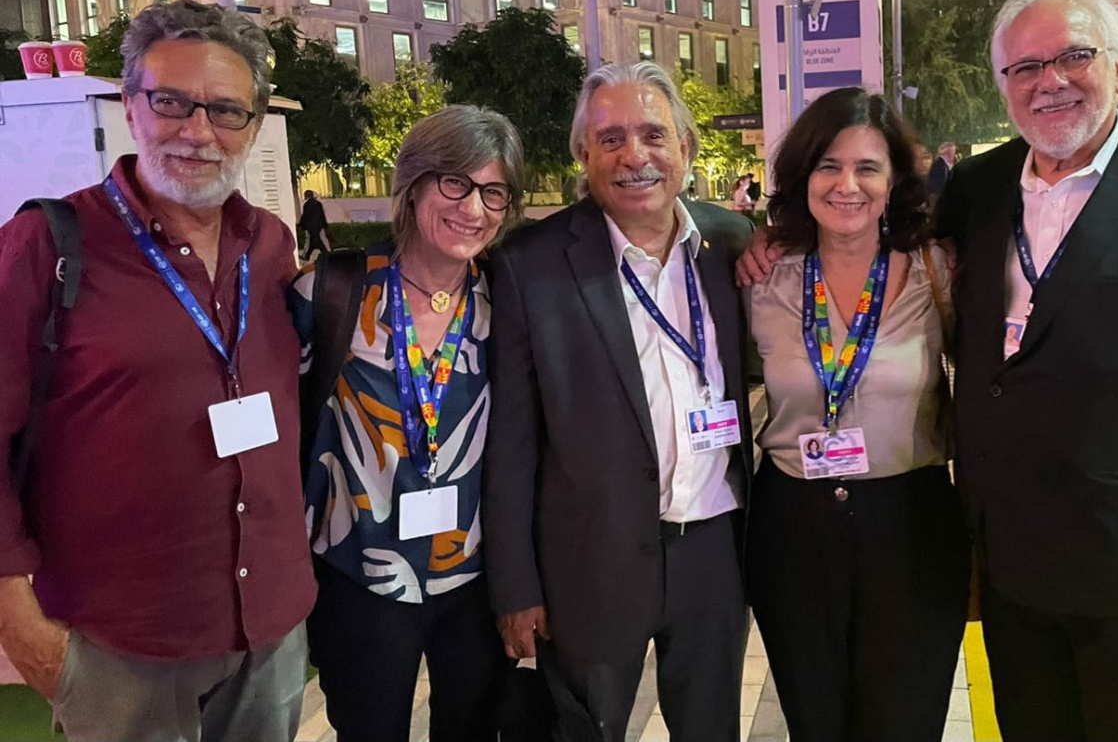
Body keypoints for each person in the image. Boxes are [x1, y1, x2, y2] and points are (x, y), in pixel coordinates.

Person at [0, 0, 314, 741]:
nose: (197, 132)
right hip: (121, 644)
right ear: (131, 107)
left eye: (226, 112)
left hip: (268, 628)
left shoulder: (267, 243)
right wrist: (20, 626)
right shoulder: (47, 244)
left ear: (252, 125)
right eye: (172, 102)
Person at [933, 0, 1118, 741]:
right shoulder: (979, 188)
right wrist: (765, 246)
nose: (1049, 82)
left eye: (1073, 56)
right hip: (1012, 563)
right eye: (1024, 67)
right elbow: (871, 239)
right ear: (1002, 86)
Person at [482, 62, 755, 742]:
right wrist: (515, 586)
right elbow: (511, 440)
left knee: (711, 728)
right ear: (584, 156)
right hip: (589, 561)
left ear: (686, 149)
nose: (635, 155)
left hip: (713, 550)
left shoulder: (732, 246)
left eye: (653, 134)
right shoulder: (531, 262)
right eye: (609, 139)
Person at [293, 105, 524, 742]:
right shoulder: (332, 293)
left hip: (473, 578)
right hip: (357, 574)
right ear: (414, 183)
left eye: (493, 192)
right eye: (455, 182)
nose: (473, 209)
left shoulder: (506, 302)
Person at [745, 87, 968, 741]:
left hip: (912, 527)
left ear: (895, 178)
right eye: (828, 166)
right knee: (815, 722)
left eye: (867, 167)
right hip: (794, 529)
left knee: (904, 721)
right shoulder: (762, 278)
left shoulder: (937, 272)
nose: (847, 185)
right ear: (803, 177)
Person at [298, 189, 332, 259]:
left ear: (306, 196)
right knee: (315, 241)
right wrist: (325, 225)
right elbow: (322, 215)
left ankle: (326, 254)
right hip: (318, 226)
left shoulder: (307, 205)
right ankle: (308, 255)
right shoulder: (318, 204)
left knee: (315, 241)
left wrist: (301, 225)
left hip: (310, 227)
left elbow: (305, 216)